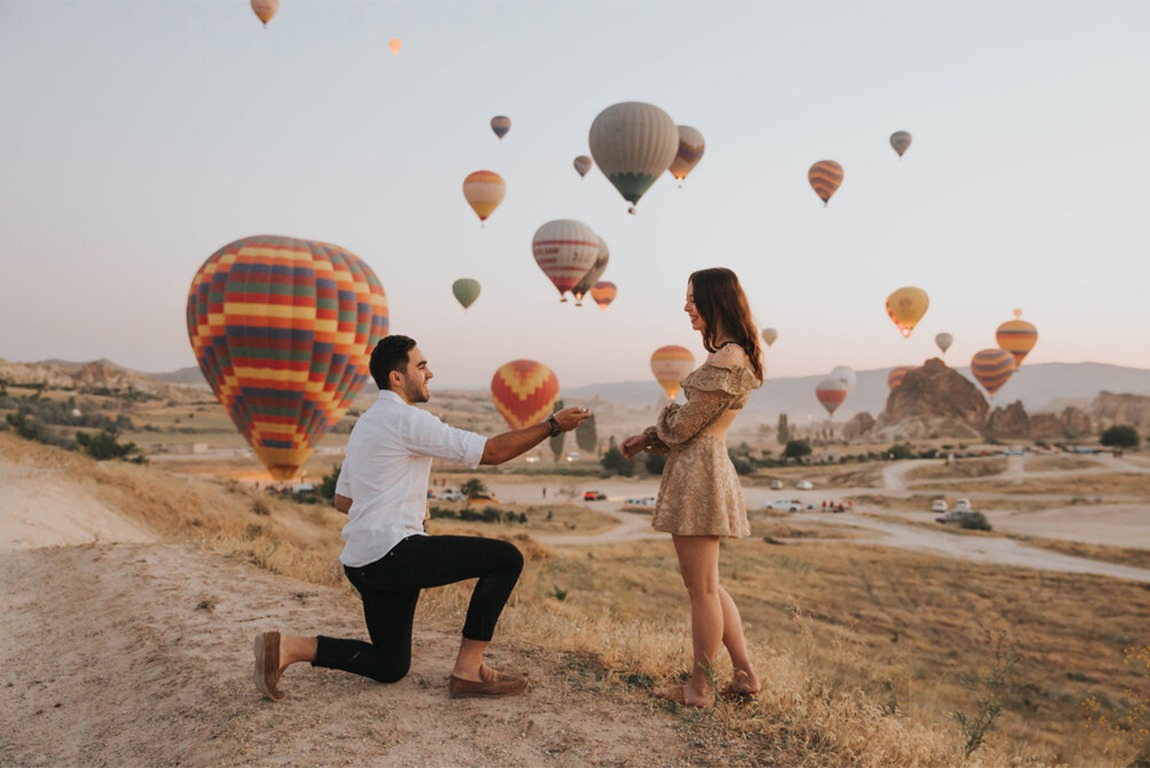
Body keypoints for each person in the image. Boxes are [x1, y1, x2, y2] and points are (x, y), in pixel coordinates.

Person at [253, 335, 590, 702]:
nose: (431, 373)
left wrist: (404, 504)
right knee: (507, 558)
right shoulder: (407, 420)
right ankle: (469, 671)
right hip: (393, 553)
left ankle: (287, 648)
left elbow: (342, 499)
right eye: (421, 366)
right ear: (397, 378)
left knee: (390, 665)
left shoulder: (365, 424)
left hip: (364, 562)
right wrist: (553, 425)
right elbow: (490, 452)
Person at [621, 267, 764, 709]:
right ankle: (744, 674)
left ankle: (700, 688)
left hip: (700, 471)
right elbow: (689, 423)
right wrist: (649, 437)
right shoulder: (728, 354)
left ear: (714, 300)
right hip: (701, 466)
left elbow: (684, 424)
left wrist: (651, 434)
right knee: (708, 584)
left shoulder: (727, 358)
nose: (686, 307)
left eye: (692, 298)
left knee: (700, 588)